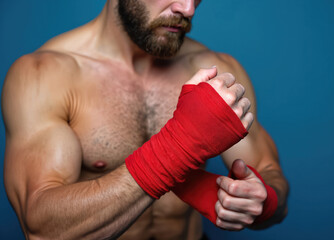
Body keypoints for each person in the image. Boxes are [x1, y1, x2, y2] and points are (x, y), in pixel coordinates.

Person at [2, 0, 289, 239]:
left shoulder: (216, 70)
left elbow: (270, 175)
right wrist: (179, 148)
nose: (187, 8)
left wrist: (262, 201)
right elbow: (40, 229)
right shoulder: (45, 74)